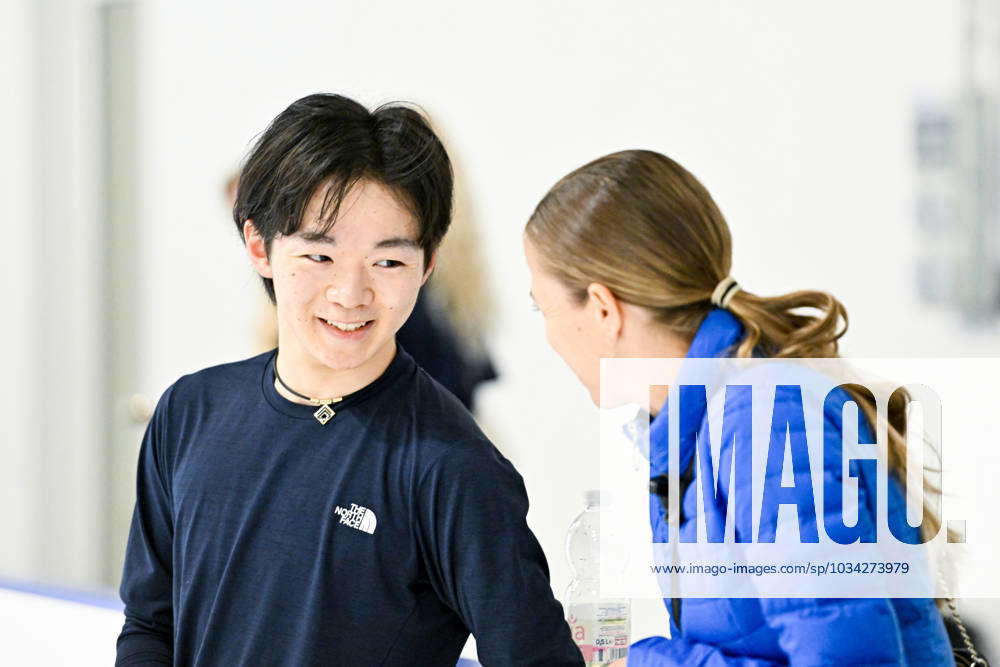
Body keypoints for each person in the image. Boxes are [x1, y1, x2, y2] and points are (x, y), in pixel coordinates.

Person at [116, 93, 583, 666]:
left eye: (388, 262)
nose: (351, 294)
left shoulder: (453, 466)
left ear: (427, 265)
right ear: (259, 245)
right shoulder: (190, 412)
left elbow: (536, 657)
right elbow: (148, 625)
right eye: (320, 257)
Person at [523, 149, 955, 665]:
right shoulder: (702, 429)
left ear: (602, 308)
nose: (547, 335)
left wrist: (640, 662)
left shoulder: (763, 421)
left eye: (541, 308)